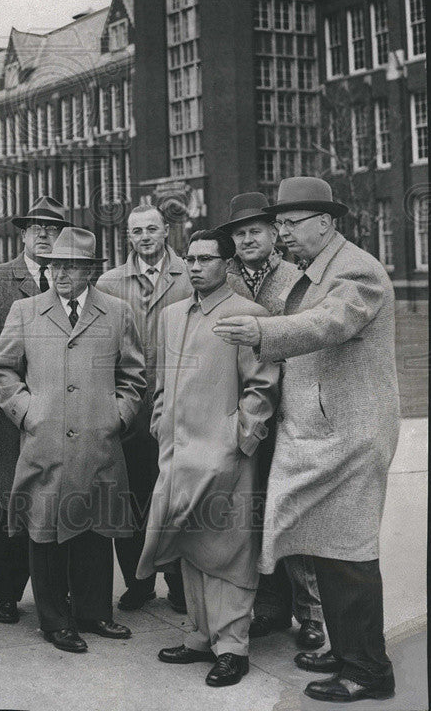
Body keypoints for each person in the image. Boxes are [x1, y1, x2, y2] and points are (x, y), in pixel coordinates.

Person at [214, 177, 401, 703]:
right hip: (327, 434)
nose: (283, 234)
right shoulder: (315, 271)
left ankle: (367, 672)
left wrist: (261, 334)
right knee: (329, 551)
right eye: (280, 225)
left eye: (291, 224)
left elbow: (329, 322)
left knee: (349, 556)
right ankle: (347, 653)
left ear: (326, 222)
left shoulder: (356, 269)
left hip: (349, 436)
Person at [0, 227, 146, 654]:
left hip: (99, 442)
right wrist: (27, 412)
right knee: (45, 531)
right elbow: (2, 372)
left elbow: (133, 375)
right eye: (55, 264)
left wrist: (119, 415)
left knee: (96, 529)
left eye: (71, 266)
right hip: (45, 443)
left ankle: (95, 613)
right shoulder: (26, 310)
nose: (60, 273)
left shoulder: (116, 312)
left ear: (90, 271)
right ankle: (55, 620)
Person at [138, 229, 279, 688]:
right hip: (178, 454)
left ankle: (232, 647)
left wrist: (239, 439)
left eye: (206, 259)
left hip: (226, 455)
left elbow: (261, 388)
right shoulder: (173, 315)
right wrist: (161, 423)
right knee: (188, 543)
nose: (195, 267)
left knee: (230, 548)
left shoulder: (248, 315)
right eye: (191, 259)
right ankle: (200, 637)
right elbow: (161, 381)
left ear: (227, 263)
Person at [0, 196, 72, 625]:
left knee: (59, 493)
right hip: (10, 410)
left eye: (52, 229)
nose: (43, 235)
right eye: (35, 228)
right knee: (12, 495)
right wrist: (17, 392)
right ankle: (7, 593)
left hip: (64, 408)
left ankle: (56, 590)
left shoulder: (73, 279)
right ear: (22, 234)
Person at [220, 192, 324, 650]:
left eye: (255, 231)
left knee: (294, 513)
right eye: (239, 233)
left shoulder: (297, 277)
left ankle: (312, 613)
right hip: (239, 411)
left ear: (274, 235)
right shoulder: (221, 280)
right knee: (250, 511)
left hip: (292, 413)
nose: (247, 239)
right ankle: (268, 607)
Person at [96, 200, 192, 612]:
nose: (145, 237)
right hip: (131, 410)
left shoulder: (191, 275)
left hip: (180, 407)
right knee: (132, 496)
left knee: (177, 498)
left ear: (165, 231)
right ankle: (139, 582)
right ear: (128, 237)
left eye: (152, 229)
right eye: (137, 232)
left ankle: (180, 583)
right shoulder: (109, 282)